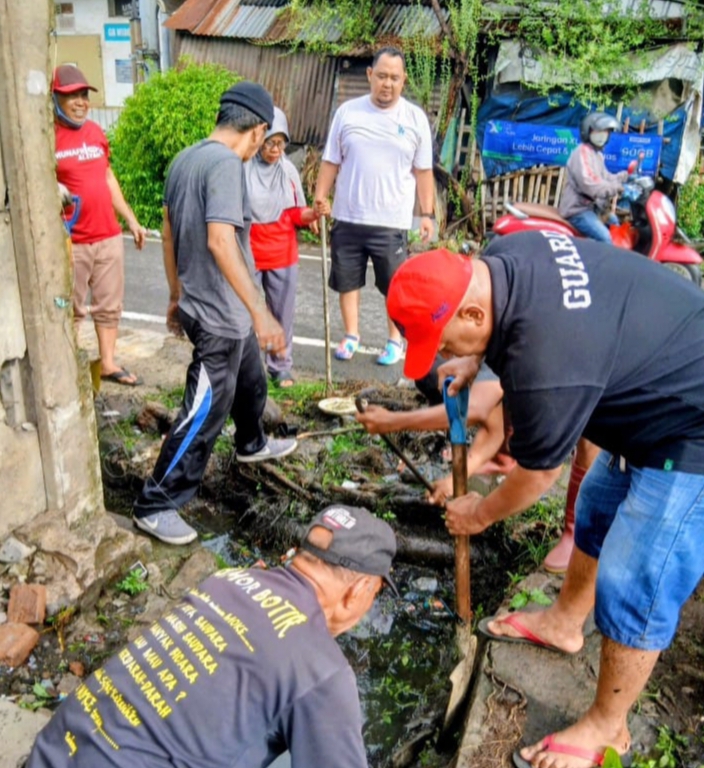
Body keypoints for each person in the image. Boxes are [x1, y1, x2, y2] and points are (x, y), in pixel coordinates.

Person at [386, 230, 704, 767]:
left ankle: (608, 729)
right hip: (656, 378)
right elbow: (520, 339)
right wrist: (474, 359)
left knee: (638, 575)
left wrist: (479, 513)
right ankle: (563, 623)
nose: (443, 354)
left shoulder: (545, 360)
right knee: (597, 507)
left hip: (690, 422)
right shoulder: (506, 257)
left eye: (444, 343)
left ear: (472, 314)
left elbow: (538, 475)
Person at [26, 505, 397, 768]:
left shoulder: (228, 580)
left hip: (50, 753)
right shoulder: (323, 671)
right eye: (375, 593)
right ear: (360, 590)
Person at [132, 82, 297, 547]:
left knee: (252, 379)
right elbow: (221, 241)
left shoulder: (186, 158)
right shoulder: (226, 164)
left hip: (210, 304)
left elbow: (168, 232)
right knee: (205, 408)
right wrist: (261, 312)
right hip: (217, 313)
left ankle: (251, 443)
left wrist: (174, 294)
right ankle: (156, 503)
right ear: (258, 130)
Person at [356, 370, 596, 573]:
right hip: (530, 379)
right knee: (511, 400)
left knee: (591, 439)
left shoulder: (501, 361)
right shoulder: (487, 367)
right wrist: (454, 480)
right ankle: (505, 459)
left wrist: (479, 516)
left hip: (592, 380)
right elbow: (492, 424)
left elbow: (542, 471)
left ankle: (576, 532)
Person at [314, 46, 434, 366]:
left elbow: (423, 171)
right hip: (348, 216)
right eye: (381, 76)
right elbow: (330, 160)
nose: (387, 84)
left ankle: (394, 341)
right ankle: (351, 335)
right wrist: (320, 197)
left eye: (394, 78)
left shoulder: (414, 119)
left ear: (403, 80)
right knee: (347, 280)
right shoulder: (348, 113)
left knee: (394, 286)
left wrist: (427, 214)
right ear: (370, 75)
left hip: (391, 222)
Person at [53, 64, 146, 386]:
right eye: (72, 96)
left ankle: (107, 363)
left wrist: (130, 220)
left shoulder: (95, 132)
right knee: (72, 308)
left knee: (109, 304)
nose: (81, 102)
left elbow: (107, 177)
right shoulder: (47, 138)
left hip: (107, 235)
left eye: (83, 95)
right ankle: (67, 368)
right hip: (72, 240)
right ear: (55, 99)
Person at [246, 107, 319, 388]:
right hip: (250, 253)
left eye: (281, 143)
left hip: (282, 254)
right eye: (270, 143)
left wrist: (313, 214)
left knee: (281, 315)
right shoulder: (242, 168)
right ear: (258, 139)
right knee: (247, 314)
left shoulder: (287, 170)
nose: (276, 150)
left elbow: (296, 213)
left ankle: (280, 366)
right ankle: (248, 368)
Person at [558, 112, 628, 243]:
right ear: (588, 132)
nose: (602, 136)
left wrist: (625, 177)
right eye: (598, 132)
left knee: (614, 223)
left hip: (592, 208)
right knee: (605, 238)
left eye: (605, 132)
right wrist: (615, 188)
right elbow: (589, 184)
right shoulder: (582, 153)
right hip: (577, 210)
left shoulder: (597, 154)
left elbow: (606, 177)